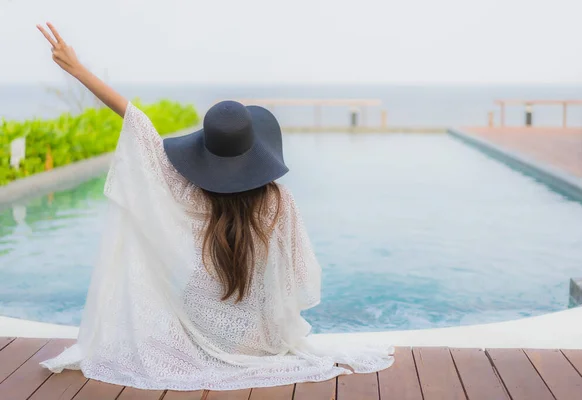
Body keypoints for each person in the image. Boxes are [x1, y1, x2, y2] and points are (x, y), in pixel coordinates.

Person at [36, 22, 394, 391]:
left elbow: (137, 123)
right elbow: (300, 277)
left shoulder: (186, 189)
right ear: (256, 149)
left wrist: (77, 69)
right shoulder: (278, 201)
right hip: (257, 339)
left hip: (195, 329)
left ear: (206, 151)